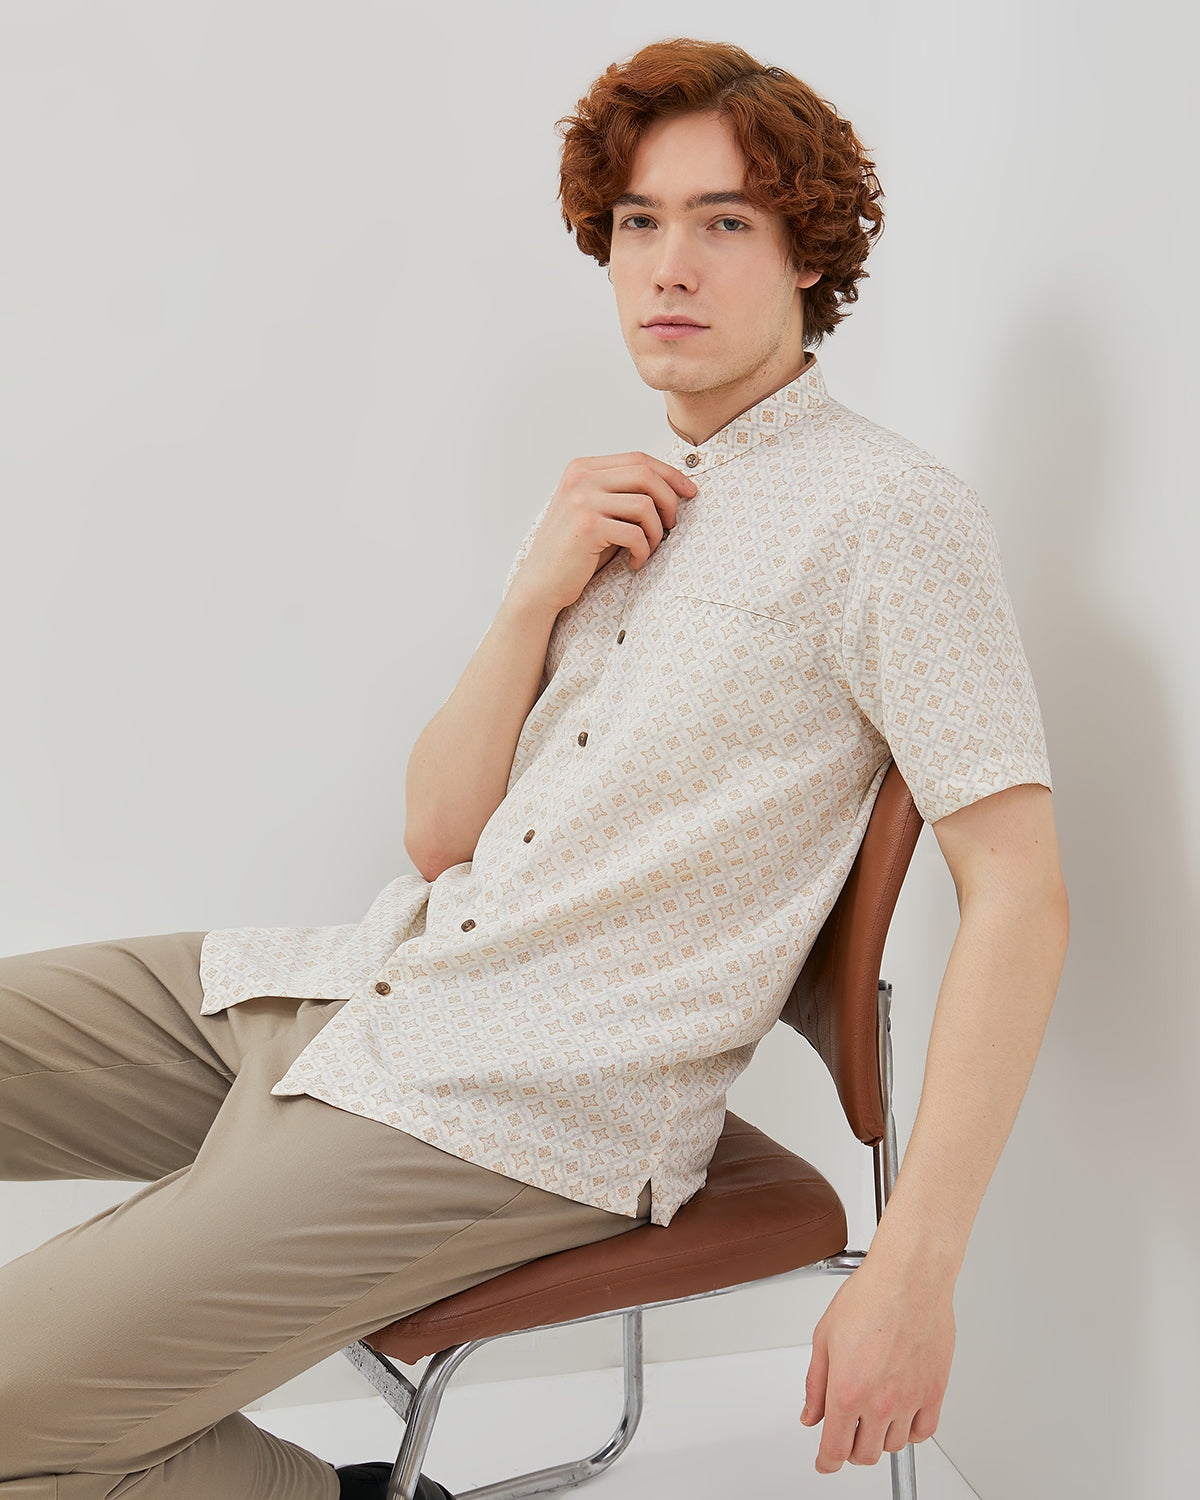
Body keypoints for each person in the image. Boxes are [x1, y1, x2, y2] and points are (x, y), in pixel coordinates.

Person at [0, 36, 1069, 1500]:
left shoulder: (890, 515)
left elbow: (1019, 894)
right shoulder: (619, 500)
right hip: (365, 991)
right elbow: (441, 834)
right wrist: (531, 596)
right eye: (639, 221)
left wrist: (919, 1269)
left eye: (725, 221)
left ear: (807, 253)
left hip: (519, 1109)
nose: (669, 266)